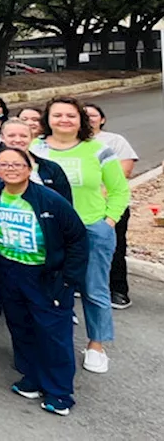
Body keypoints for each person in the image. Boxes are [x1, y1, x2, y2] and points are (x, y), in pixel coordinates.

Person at [0, 148, 88, 416]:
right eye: (3, 164)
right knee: (20, 326)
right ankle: (31, 378)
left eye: (17, 164)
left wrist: (67, 281)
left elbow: (77, 239)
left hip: (45, 274)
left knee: (53, 332)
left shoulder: (49, 200)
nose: (10, 169)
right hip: (8, 269)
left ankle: (59, 392)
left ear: (29, 168)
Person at [30, 97, 129, 375]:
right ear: (47, 119)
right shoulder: (34, 148)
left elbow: (120, 189)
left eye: (71, 115)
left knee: (94, 288)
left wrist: (108, 221)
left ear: (80, 120)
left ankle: (96, 345)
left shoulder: (98, 150)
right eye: (58, 115)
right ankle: (47, 342)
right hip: (47, 230)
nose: (64, 120)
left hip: (91, 227)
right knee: (46, 287)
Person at [85, 103, 138, 310]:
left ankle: (118, 290)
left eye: (93, 115)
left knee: (113, 247)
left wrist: (100, 194)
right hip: (79, 206)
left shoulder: (114, 140)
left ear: (102, 119)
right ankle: (86, 285)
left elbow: (125, 170)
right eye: (84, 115)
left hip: (109, 204)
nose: (89, 118)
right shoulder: (72, 142)